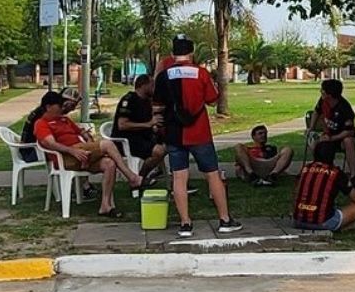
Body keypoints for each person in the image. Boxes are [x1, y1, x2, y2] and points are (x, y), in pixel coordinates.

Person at [153, 34, 242, 237]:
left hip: (174, 134)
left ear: (173, 53)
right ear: (191, 53)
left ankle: (185, 223)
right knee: (212, 174)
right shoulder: (200, 73)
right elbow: (212, 99)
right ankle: (224, 220)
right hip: (199, 133)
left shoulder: (164, 76)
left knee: (179, 177)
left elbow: (157, 106)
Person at [33, 91, 143, 217]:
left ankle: (105, 205)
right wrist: (72, 151)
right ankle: (132, 177)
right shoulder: (41, 123)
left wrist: (89, 143)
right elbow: (50, 143)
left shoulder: (64, 120)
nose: (62, 108)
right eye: (59, 105)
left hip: (82, 153)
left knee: (109, 164)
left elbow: (81, 132)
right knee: (107, 144)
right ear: (48, 107)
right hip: (66, 157)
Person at [112, 74, 167, 183]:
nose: (154, 88)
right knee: (159, 151)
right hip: (127, 140)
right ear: (143, 85)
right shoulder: (129, 100)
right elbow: (122, 125)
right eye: (152, 85)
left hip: (143, 138)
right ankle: (141, 178)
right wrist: (148, 124)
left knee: (169, 145)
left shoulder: (147, 101)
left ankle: (143, 177)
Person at [291, 161, 355, 232]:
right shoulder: (336, 172)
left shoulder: (305, 168)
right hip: (323, 222)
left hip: (298, 220)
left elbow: (296, 193)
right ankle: (344, 227)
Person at [310, 78, 355, 186]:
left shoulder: (345, 108)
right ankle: (320, 172)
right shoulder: (323, 101)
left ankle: (353, 176)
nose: (321, 92)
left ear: (330, 94)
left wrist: (332, 138)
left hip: (341, 137)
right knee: (314, 142)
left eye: (323, 90)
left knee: (348, 141)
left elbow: (349, 132)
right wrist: (311, 127)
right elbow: (316, 111)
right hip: (328, 134)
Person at [19, 87, 82, 162]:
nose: (72, 109)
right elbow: (50, 142)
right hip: (32, 151)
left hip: (35, 147)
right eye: (71, 105)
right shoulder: (45, 116)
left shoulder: (48, 110)